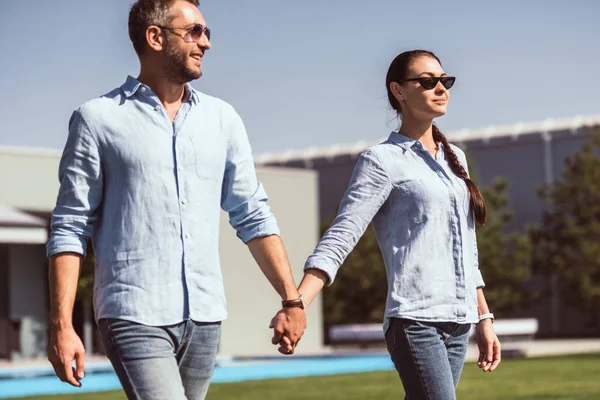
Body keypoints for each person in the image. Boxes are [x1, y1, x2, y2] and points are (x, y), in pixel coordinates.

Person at [46, 1, 305, 398]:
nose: (206, 43)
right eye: (195, 32)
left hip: (205, 316)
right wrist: (62, 325)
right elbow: (70, 225)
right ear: (155, 37)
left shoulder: (222, 119)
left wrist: (292, 299)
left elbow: (252, 212)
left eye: (207, 33)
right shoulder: (97, 119)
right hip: (133, 311)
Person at [275, 49, 501, 399]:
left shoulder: (456, 159)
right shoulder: (381, 161)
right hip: (415, 320)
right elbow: (342, 236)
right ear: (399, 91)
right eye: (427, 82)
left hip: (459, 322)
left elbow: (466, 248)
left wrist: (483, 317)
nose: (440, 88)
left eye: (445, 81)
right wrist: (297, 303)